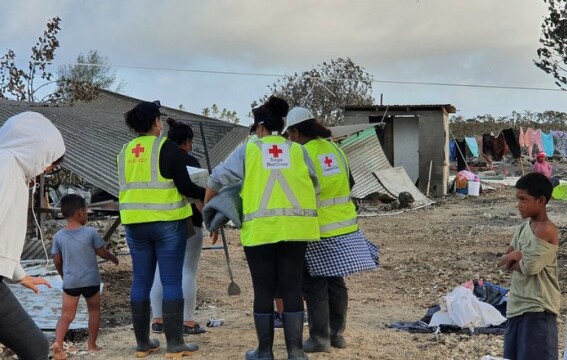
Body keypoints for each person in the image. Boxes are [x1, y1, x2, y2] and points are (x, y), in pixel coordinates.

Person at [205, 96, 319, 360]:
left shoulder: (249, 150)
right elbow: (314, 184)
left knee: (264, 290)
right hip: (296, 229)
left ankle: (265, 352)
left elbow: (216, 179)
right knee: (292, 288)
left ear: (259, 128)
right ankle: (296, 353)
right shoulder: (298, 151)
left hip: (260, 232)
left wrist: (210, 215)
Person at [284, 107, 380, 353]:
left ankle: (319, 338)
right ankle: (337, 335)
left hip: (318, 227)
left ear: (295, 132)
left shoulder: (301, 153)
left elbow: (298, 191)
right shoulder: (335, 149)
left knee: (314, 282)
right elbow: (349, 182)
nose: (289, 138)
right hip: (345, 224)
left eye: (290, 133)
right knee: (336, 280)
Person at [118, 101, 205, 358]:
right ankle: (176, 344)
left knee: (141, 282)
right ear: (156, 122)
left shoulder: (124, 151)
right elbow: (187, 187)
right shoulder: (164, 147)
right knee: (170, 281)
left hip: (134, 225)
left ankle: (143, 344)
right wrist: (208, 191)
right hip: (167, 224)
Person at [0, 111, 65, 360]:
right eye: (51, 161)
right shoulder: (6, 165)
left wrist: (19, 274)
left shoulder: (11, 166)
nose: (47, 168)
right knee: (35, 347)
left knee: (35, 347)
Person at [150, 118, 206, 335]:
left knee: (159, 270)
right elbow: (198, 197)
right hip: (188, 223)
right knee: (187, 271)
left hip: (160, 221)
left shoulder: (158, 160)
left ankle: (158, 320)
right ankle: (188, 322)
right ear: (189, 142)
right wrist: (211, 220)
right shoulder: (190, 161)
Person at [499, 172, 560, 360]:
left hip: (538, 310)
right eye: (517, 199)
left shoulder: (545, 229)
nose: (518, 205)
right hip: (516, 307)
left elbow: (529, 268)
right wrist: (517, 256)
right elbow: (503, 262)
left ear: (541, 200)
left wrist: (515, 255)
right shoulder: (523, 228)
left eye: (523, 199)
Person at [51, 194, 119, 360]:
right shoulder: (90, 232)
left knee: (66, 315)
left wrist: (62, 274)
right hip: (91, 281)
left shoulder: (59, 236)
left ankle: (58, 342)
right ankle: (92, 345)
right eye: (86, 211)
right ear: (80, 212)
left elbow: (57, 260)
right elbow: (102, 252)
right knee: (94, 311)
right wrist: (113, 258)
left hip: (71, 282)